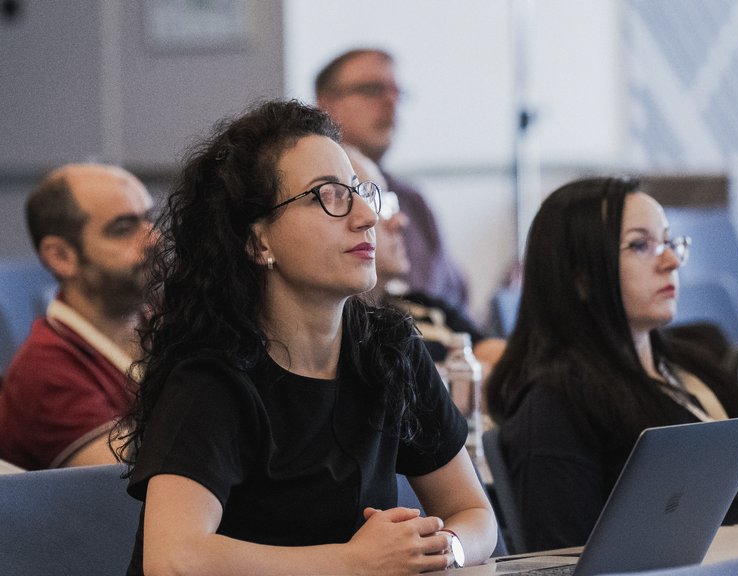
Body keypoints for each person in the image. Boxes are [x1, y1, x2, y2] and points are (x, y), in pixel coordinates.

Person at [116, 100, 496, 575]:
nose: (367, 216)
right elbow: (173, 559)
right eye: (329, 196)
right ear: (258, 241)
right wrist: (355, 562)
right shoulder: (211, 376)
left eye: (359, 192)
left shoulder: (389, 348)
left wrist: (443, 550)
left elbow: (475, 514)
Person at [486, 176, 738, 553]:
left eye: (669, 242)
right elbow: (562, 562)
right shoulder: (555, 411)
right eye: (641, 245)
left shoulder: (699, 364)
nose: (671, 261)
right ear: (580, 277)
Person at [0, 163, 155, 470]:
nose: (153, 239)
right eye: (123, 229)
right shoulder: (44, 371)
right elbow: (130, 482)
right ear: (61, 256)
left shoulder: (170, 319)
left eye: (149, 219)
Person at [316, 48, 471, 314]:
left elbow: (457, 301)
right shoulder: (315, 200)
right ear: (326, 104)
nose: (390, 102)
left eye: (396, 93)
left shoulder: (413, 203)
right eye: (372, 90)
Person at [346, 145, 505, 369]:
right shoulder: (351, 335)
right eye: (374, 202)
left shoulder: (426, 307)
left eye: (389, 201)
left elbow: (504, 360)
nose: (399, 221)